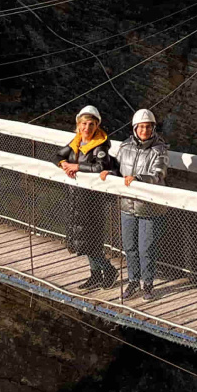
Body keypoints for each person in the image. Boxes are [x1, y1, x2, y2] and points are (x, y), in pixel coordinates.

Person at [101, 108, 170, 300]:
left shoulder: (160, 149)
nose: (144, 130)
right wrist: (109, 172)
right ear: (134, 128)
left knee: (146, 249)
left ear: (153, 128)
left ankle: (147, 285)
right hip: (127, 205)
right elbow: (118, 168)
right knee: (129, 247)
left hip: (149, 208)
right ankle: (133, 281)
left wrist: (138, 178)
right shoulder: (125, 146)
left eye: (148, 127)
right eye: (141, 127)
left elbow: (158, 175)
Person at [58, 105, 116, 290]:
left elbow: (100, 167)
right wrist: (64, 163)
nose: (87, 128)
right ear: (78, 125)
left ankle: (109, 270)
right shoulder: (76, 142)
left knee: (91, 240)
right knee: (83, 238)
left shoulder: (100, 145)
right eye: (84, 124)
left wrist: (77, 167)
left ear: (97, 126)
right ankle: (96, 275)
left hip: (92, 199)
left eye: (91, 124)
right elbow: (58, 155)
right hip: (76, 196)